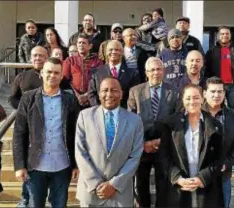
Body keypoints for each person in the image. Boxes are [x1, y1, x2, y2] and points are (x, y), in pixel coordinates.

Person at [12, 58, 80, 207]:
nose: (52, 75)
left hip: (62, 165)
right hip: (35, 166)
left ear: (62, 76)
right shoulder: (28, 98)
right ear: (42, 73)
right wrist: (19, 165)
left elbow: (76, 134)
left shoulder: (70, 99)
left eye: (57, 72)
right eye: (49, 71)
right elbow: (19, 133)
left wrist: (76, 164)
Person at [75, 77, 144, 207]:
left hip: (120, 193)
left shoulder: (135, 121)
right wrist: (96, 184)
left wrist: (114, 184)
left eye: (114, 90)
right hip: (91, 191)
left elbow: (135, 156)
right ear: (99, 94)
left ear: (122, 93)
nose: (109, 94)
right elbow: (80, 153)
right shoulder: (85, 116)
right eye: (105, 90)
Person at [159, 84, 224, 207]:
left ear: (202, 99)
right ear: (182, 100)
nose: (192, 102)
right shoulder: (170, 124)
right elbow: (163, 157)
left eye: (196, 97)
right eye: (188, 98)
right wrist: (178, 178)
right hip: (178, 188)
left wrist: (202, 178)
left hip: (206, 188)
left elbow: (218, 159)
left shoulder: (214, 125)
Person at [127, 57, 180, 207]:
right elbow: (130, 122)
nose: (155, 73)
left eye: (158, 69)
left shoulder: (175, 92)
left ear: (163, 71)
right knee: (141, 184)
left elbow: (177, 120)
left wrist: (162, 141)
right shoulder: (135, 91)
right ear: (146, 72)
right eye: (152, 70)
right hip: (141, 146)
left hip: (164, 146)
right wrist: (142, 143)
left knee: (163, 184)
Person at [202, 77, 234, 208]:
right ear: (205, 93)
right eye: (212, 91)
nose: (216, 95)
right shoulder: (195, 113)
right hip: (198, 176)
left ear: (224, 93)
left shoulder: (233, 116)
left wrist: (227, 162)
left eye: (220, 91)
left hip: (223, 177)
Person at [205, 26, 234, 111]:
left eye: (227, 33)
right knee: (215, 109)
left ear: (230, 35)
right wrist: (208, 83)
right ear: (218, 36)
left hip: (233, 86)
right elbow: (206, 69)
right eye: (222, 34)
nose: (225, 35)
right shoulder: (211, 51)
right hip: (217, 86)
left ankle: (232, 124)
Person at [89, 40, 139, 108]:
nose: (113, 52)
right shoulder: (96, 72)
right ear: (106, 52)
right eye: (110, 50)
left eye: (117, 50)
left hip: (124, 113)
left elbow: (134, 95)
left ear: (122, 52)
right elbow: (91, 94)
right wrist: (100, 109)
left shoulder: (132, 73)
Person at [63, 33, 103, 108]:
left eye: (84, 43)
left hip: (92, 98)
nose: (81, 45)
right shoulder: (70, 60)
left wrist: (87, 95)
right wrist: (78, 96)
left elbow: (99, 81)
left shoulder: (98, 61)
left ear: (90, 46)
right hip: (74, 98)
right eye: (79, 43)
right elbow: (65, 81)